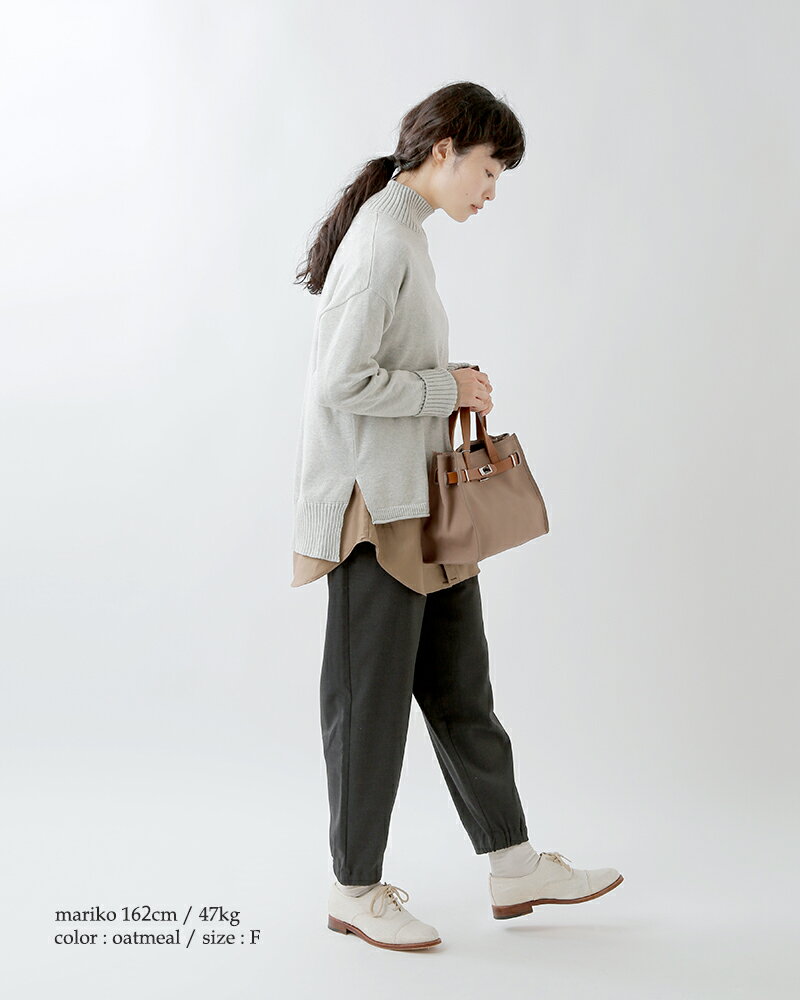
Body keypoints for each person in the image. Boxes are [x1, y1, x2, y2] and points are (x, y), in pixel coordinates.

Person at [291, 81, 623, 951]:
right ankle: (353, 889)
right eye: (489, 169)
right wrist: (447, 388)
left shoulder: (405, 234)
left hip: (422, 507)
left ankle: (513, 865)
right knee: (368, 707)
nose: (491, 189)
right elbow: (340, 383)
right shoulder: (380, 242)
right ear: (444, 150)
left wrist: (447, 384)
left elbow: (382, 367)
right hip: (377, 514)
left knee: (460, 690)